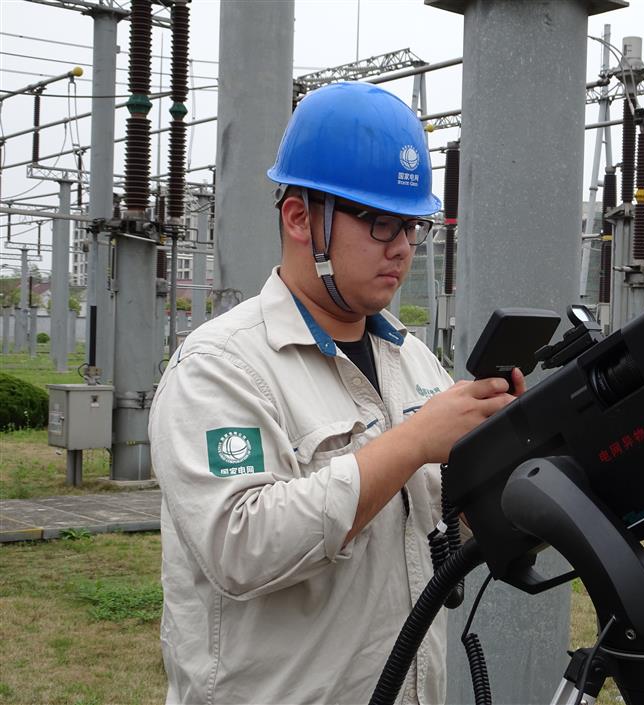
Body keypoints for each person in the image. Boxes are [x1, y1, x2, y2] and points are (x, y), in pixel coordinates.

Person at [149, 82, 523, 704]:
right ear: (300, 219)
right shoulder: (220, 367)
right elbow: (239, 546)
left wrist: (498, 452)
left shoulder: (411, 358)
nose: (401, 247)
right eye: (379, 223)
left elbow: (440, 522)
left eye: (410, 226)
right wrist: (411, 442)